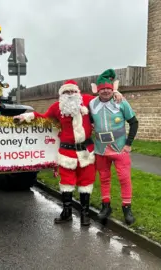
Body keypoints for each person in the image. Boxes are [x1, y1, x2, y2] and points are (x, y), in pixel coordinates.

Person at [14, 80, 123, 226]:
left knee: (86, 182)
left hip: (86, 152)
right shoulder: (57, 107)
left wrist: (115, 93)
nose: (70, 94)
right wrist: (26, 116)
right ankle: (67, 213)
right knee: (66, 183)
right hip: (66, 152)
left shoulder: (87, 100)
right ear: (62, 94)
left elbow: (103, 99)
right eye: (66, 92)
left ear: (77, 92)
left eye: (72, 91)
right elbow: (44, 117)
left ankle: (84, 214)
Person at [89, 69, 139, 226]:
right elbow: (90, 120)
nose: (105, 91)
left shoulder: (120, 101)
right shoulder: (92, 103)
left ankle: (127, 208)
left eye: (108, 88)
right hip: (101, 149)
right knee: (104, 178)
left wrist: (128, 144)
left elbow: (134, 122)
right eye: (102, 88)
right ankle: (106, 206)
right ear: (97, 89)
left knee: (124, 178)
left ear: (112, 88)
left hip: (119, 148)